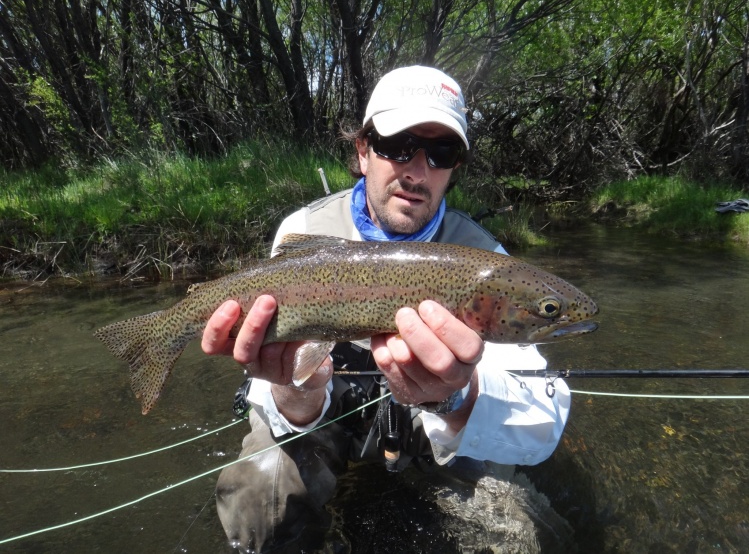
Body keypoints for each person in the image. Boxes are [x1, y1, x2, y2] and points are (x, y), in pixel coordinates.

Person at [201, 65, 571, 553]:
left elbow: (543, 418)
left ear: (455, 166)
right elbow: (277, 396)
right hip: (326, 414)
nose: (417, 171)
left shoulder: (489, 265)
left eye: (441, 152)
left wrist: (460, 397)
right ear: (362, 150)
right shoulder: (303, 229)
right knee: (258, 505)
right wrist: (297, 392)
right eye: (398, 145)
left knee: (527, 537)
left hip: (426, 432)